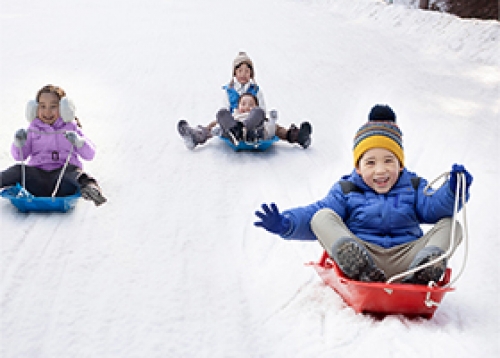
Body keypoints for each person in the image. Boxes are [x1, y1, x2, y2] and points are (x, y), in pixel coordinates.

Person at [254, 104, 473, 284]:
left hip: (409, 257)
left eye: (389, 161)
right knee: (322, 217)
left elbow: (435, 207)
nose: (380, 170)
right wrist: (286, 223)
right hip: (364, 252)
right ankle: (358, 267)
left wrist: (454, 190)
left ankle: (424, 271)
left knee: (452, 225)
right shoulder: (348, 188)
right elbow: (317, 212)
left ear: (400, 164)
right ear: (358, 167)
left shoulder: (413, 185)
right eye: (370, 162)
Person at [177, 51, 312, 149]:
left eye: (247, 71)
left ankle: (297, 136)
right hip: (233, 120)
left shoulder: (256, 90)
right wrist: (230, 120)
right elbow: (225, 108)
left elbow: (262, 110)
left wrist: (257, 115)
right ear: (234, 72)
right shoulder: (229, 90)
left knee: (275, 127)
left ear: (251, 74)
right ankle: (196, 136)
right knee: (217, 119)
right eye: (240, 71)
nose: (243, 74)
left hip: (254, 122)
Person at [0, 84, 106, 206]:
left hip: (62, 179)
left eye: (53, 106)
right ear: (35, 109)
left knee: (75, 173)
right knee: (18, 170)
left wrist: (79, 142)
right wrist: (18, 143)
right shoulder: (32, 130)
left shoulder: (71, 128)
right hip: (37, 178)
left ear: (63, 109)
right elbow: (19, 157)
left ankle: (91, 189)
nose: (47, 111)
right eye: (42, 106)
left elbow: (90, 155)